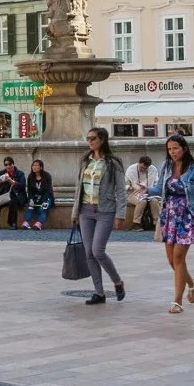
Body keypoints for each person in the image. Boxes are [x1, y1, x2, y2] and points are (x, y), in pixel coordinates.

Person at [71, 127, 126, 305]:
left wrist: (121, 214)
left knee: (98, 251)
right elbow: (79, 188)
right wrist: (75, 212)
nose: (90, 141)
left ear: (102, 139)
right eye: (88, 138)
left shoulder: (113, 162)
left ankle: (117, 281)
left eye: (93, 138)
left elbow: (121, 190)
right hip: (85, 210)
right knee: (89, 253)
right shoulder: (85, 161)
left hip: (105, 210)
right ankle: (99, 293)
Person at [155, 134, 194, 313]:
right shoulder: (166, 166)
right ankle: (191, 283)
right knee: (172, 260)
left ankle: (177, 301)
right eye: (169, 149)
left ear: (184, 148)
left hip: (187, 215)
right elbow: (159, 187)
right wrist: (146, 189)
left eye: (175, 148)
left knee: (178, 258)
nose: (172, 152)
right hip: (169, 215)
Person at [125, 155, 160, 230]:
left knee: (154, 201)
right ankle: (136, 223)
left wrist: (150, 189)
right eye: (141, 167)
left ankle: (156, 224)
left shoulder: (153, 169)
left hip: (149, 193)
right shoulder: (131, 169)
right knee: (142, 201)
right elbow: (124, 184)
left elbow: (157, 184)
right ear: (138, 163)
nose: (143, 169)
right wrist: (130, 187)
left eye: (145, 168)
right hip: (133, 193)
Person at [21, 160, 54, 229]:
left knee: (43, 208)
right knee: (30, 207)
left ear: (41, 167)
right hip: (35, 197)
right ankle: (26, 222)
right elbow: (29, 190)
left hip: (46, 196)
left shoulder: (47, 176)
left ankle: (39, 223)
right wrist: (31, 199)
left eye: (36, 165)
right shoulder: (30, 177)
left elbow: (48, 190)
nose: (34, 167)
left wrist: (44, 200)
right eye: (33, 165)